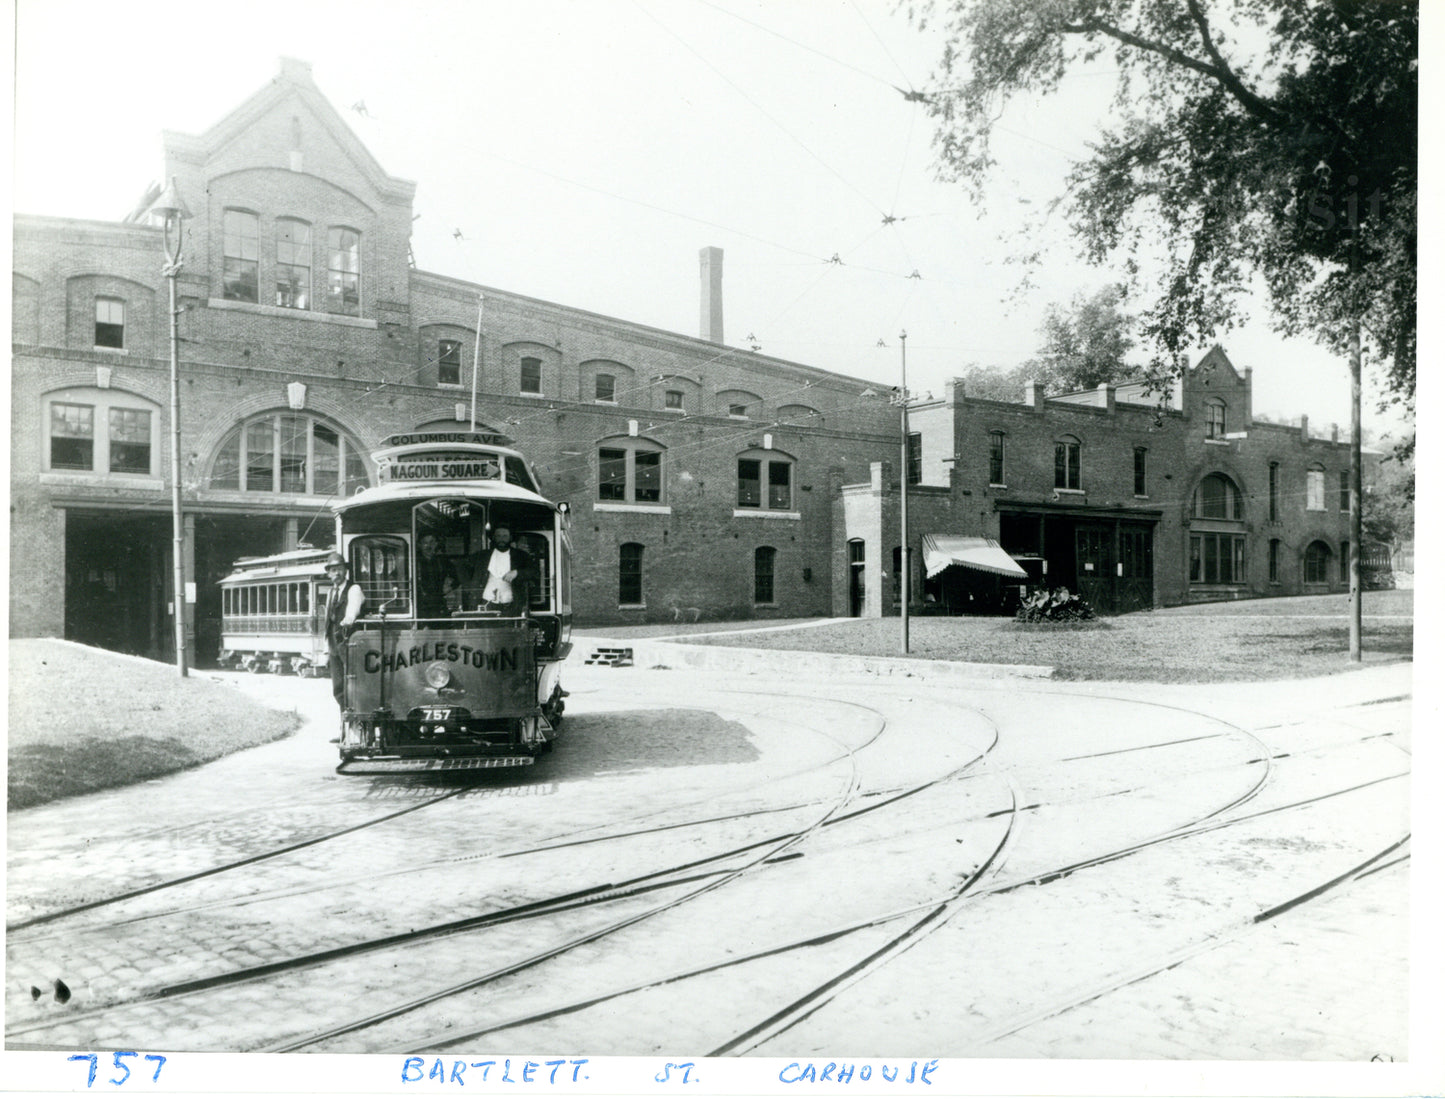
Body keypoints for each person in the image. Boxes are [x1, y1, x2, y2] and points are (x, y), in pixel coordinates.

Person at [323, 551, 365, 709]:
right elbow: (327, 621)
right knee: (338, 688)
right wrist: (326, 649)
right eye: (333, 570)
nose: (337, 573)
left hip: (349, 643)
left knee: (353, 684)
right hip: (334, 645)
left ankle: (354, 723)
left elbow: (352, 611)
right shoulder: (330, 593)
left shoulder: (354, 589)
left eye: (340, 569)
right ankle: (345, 724)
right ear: (328, 573)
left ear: (345, 571)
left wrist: (348, 620)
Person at [481, 526, 533, 614]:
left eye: (505, 536)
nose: (501, 539)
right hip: (487, 603)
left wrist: (517, 573)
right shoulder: (483, 556)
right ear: (493, 538)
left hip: (511, 604)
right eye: (498, 536)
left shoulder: (521, 556)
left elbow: (534, 572)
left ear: (510, 538)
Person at [415, 532, 457, 619]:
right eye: (425, 543)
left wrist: (449, 588)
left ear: (436, 544)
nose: (428, 546)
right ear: (419, 545)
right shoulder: (414, 561)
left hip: (438, 603)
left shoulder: (442, 561)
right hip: (419, 605)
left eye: (431, 542)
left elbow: (458, 577)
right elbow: (395, 576)